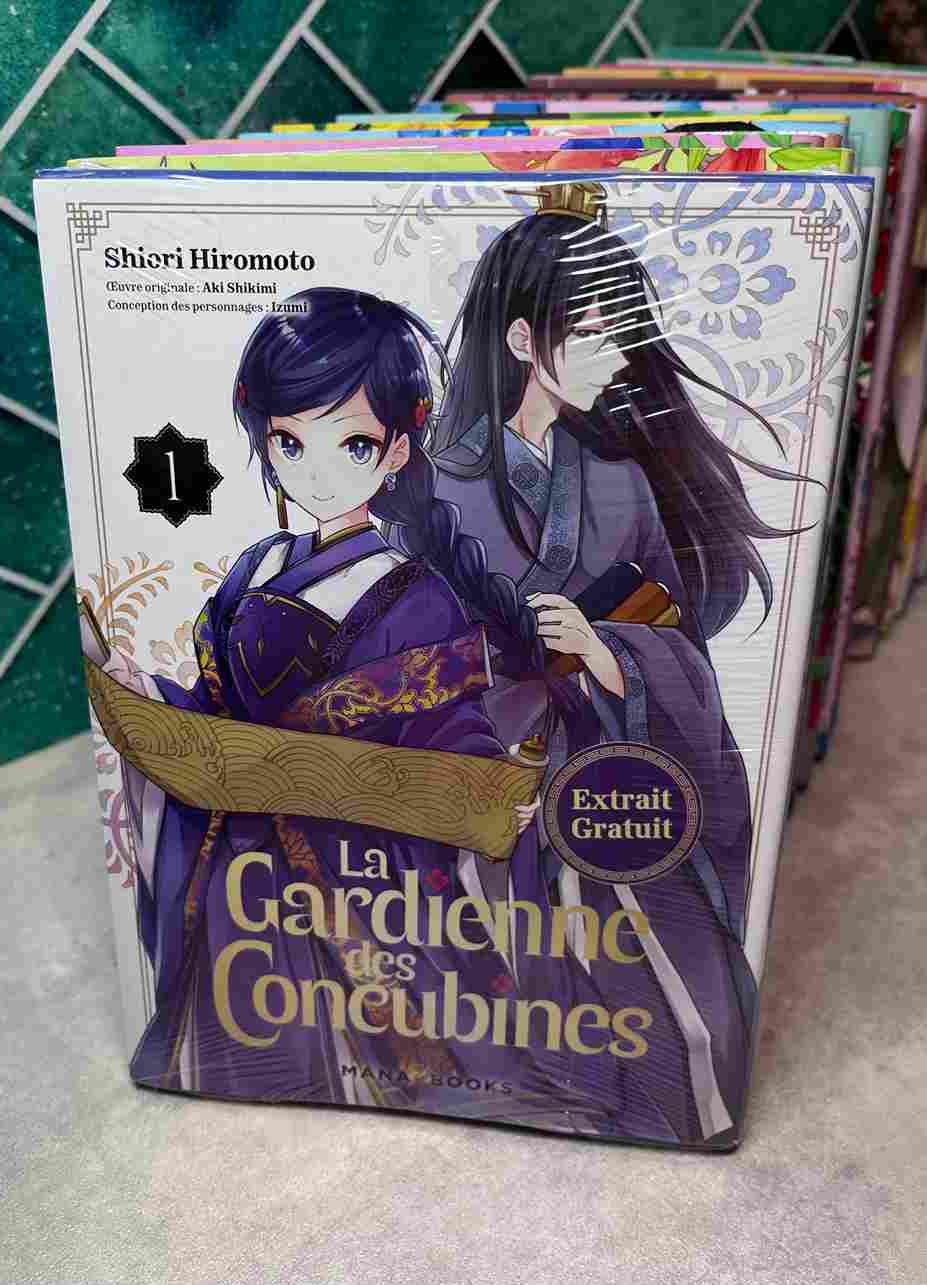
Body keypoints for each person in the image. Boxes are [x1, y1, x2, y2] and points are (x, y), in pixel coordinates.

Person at [81, 287, 583, 1124]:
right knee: (238, 1020)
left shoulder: (414, 593)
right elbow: (211, 710)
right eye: (288, 441)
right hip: (233, 851)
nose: (314, 469)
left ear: (396, 449)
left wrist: (491, 782)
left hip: (354, 865)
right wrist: (137, 685)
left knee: (357, 1039)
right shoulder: (256, 565)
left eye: (351, 443)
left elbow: (447, 729)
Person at [397, 181, 810, 1144]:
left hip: (614, 782)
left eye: (624, 335)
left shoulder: (622, 482)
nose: (618, 359)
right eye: (594, 333)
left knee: (680, 1009)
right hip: (484, 798)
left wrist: (610, 649)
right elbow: (400, 661)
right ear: (521, 340)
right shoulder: (432, 492)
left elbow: (681, 647)